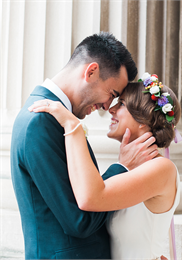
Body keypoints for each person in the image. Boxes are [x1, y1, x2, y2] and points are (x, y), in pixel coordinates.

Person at [11, 33, 159, 259]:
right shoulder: (40, 122)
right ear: (91, 72)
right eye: (112, 94)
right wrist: (122, 167)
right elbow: (79, 221)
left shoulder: (57, 117)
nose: (107, 106)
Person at [28, 72, 181, 259]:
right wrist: (123, 165)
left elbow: (90, 198)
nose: (111, 109)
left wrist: (72, 125)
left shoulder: (161, 169)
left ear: (143, 120)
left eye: (122, 104)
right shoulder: (133, 168)